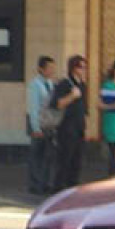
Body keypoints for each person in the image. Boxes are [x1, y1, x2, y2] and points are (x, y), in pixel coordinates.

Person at [49, 55, 88, 192]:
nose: (83, 70)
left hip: (79, 127)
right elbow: (56, 104)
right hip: (66, 127)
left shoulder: (82, 85)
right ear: (73, 68)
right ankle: (58, 187)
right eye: (80, 67)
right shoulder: (64, 84)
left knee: (76, 160)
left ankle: (73, 186)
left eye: (84, 67)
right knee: (64, 159)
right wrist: (72, 96)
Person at [26, 55, 57, 195]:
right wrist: (36, 127)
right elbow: (34, 106)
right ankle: (35, 183)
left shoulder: (51, 84)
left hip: (48, 123)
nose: (51, 71)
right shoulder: (35, 85)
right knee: (36, 155)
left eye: (53, 68)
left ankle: (44, 182)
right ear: (41, 69)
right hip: (38, 122)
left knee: (48, 155)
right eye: (49, 68)